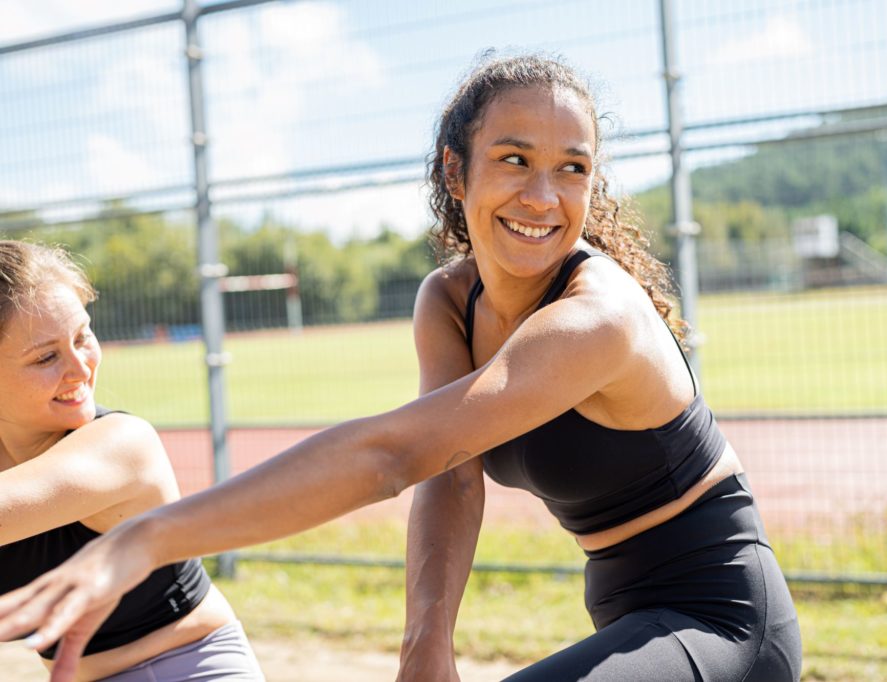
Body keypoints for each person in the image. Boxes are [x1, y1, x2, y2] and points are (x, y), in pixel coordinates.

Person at [0, 54, 801, 682]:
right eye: (515, 159)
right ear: (458, 172)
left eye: (573, 168)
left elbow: (393, 455)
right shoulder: (449, 301)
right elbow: (451, 476)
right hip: (628, 609)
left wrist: (148, 536)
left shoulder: (597, 317)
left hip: (721, 616)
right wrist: (427, 643)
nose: (544, 195)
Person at [0, 240, 265, 681]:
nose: (81, 368)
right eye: (46, 356)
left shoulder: (123, 445)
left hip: (190, 669)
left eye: (83, 336)